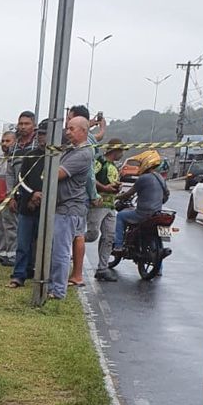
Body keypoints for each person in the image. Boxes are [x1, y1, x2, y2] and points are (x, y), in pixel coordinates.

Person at [49, 116, 94, 300]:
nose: (67, 132)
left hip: (68, 209)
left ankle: (58, 290)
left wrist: (48, 169)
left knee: (61, 251)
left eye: (71, 128)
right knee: (56, 250)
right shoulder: (71, 150)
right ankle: (54, 285)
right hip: (63, 207)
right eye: (67, 128)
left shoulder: (82, 154)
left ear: (83, 131)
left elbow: (56, 173)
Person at [7, 119, 48, 288]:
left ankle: (42, 275)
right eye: (40, 134)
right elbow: (20, 179)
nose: (41, 138)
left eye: (45, 135)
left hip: (48, 208)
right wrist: (32, 194)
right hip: (27, 206)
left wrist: (43, 195)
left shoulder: (59, 157)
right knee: (23, 243)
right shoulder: (31, 156)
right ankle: (19, 275)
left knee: (43, 244)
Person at [65, 105, 102, 286]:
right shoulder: (85, 141)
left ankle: (77, 274)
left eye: (70, 122)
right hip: (78, 195)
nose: (67, 127)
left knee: (77, 234)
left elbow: (89, 173)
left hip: (79, 196)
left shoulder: (86, 146)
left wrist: (93, 194)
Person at [114, 150, 169, 255]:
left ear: (146, 163)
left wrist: (117, 197)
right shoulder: (161, 178)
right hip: (157, 213)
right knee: (158, 240)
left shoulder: (143, 178)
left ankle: (118, 246)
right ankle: (159, 270)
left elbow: (129, 194)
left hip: (143, 214)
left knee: (120, 216)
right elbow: (166, 195)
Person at [87, 139, 126, 282]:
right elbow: (90, 178)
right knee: (92, 234)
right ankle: (70, 244)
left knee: (109, 237)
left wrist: (116, 187)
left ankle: (102, 268)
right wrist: (104, 188)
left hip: (110, 205)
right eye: (121, 151)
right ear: (114, 150)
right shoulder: (100, 162)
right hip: (98, 204)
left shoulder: (114, 166)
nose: (121, 154)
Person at [0, 130, 18, 264]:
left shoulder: (16, 158)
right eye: (3, 141)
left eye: (8, 141)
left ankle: (12, 256)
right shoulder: (1, 158)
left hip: (7, 199)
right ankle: (1, 254)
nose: (4, 144)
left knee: (10, 228)